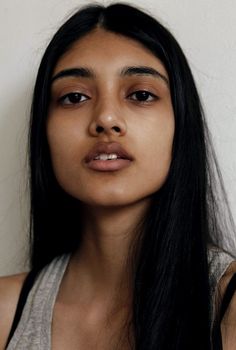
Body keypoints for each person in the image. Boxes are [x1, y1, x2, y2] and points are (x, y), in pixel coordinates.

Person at [0, 3, 236, 349]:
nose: (106, 118)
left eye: (141, 95)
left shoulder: (228, 305)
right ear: (43, 131)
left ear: (180, 124)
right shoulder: (5, 313)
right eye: (74, 97)